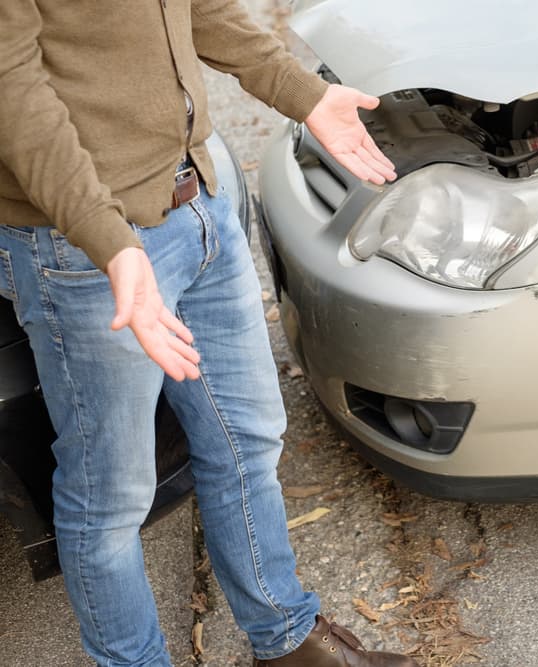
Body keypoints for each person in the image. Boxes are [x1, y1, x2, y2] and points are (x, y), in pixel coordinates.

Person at [0, 2, 417, 666]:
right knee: (111, 499)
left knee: (247, 439)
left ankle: (285, 639)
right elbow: (11, 91)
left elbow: (199, 8)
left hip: (198, 197)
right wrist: (109, 241)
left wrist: (300, 93)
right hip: (88, 247)